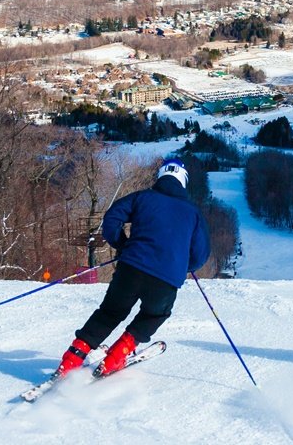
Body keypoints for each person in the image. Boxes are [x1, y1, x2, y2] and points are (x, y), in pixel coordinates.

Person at [54, 157, 211, 378]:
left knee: (109, 312)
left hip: (131, 267)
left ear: (161, 176)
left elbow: (112, 218)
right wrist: (179, 265)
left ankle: (71, 360)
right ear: (183, 181)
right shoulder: (193, 213)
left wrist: (123, 244)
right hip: (166, 280)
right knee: (154, 314)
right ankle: (118, 355)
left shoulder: (142, 197)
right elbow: (201, 254)